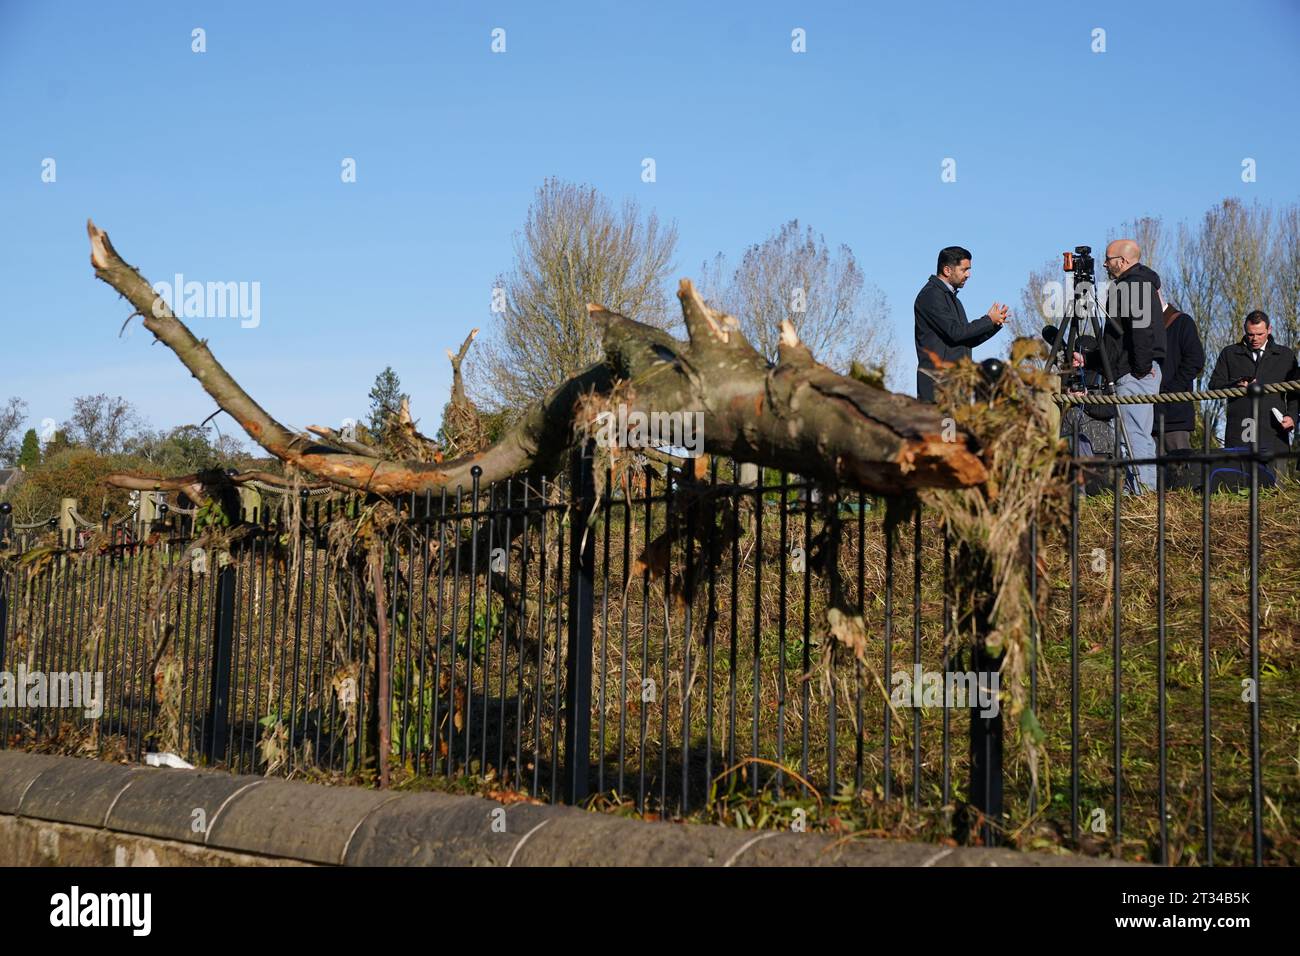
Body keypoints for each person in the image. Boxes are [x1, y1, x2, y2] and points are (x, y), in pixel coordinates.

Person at [1071, 239, 1165, 492]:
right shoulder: (1132, 285)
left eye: (1109, 259)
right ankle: (1138, 487)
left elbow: (1142, 331)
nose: (1104, 263)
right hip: (1131, 367)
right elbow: (1117, 338)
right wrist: (1090, 360)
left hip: (1135, 371)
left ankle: (1141, 491)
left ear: (1122, 261)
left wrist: (1140, 368)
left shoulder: (1136, 285)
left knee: (1133, 435)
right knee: (1132, 434)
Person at [914, 246, 1008, 402]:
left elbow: (965, 340)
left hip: (956, 390)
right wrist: (988, 319)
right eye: (964, 269)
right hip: (939, 390)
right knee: (945, 427)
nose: (968, 274)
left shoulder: (954, 300)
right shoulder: (931, 296)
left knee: (955, 427)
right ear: (947, 270)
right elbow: (956, 332)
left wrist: (994, 324)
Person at [1207, 310, 1297, 454]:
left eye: (1260, 334)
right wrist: (1235, 384)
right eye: (1250, 334)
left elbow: (1295, 394)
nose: (1255, 338)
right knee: (1239, 476)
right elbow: (1214, 385)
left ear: (1269, 330)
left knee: (1276, 476)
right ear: (1245, 329)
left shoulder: (1286, 356)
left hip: (1274, 433)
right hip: (1239, 432)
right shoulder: (1229, 353)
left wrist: (1292, 416)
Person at [1152, 292, 1206, 453]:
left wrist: (1172, 389)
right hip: (1149, 412)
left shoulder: (1182, 322)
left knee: (1179, 470)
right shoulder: (1144, 327)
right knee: (1148, 472)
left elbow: (1195, 360)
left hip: (1175, 413)